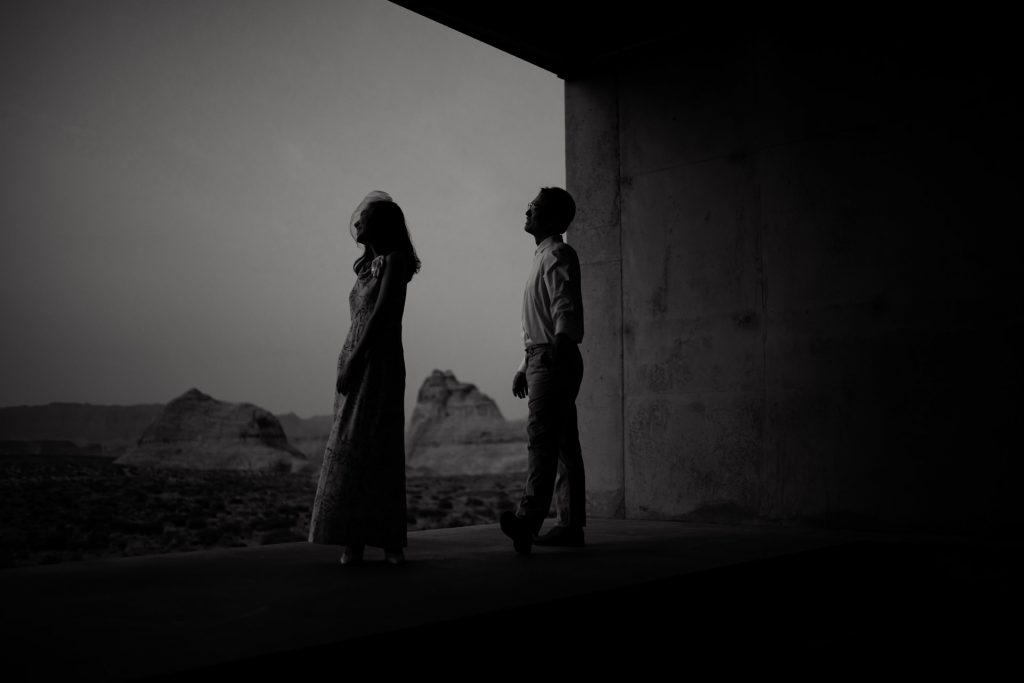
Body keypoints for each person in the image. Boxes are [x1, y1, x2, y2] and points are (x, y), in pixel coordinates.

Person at [308, 190, 420, 566]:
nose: (357, 221)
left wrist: (355, 360)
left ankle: (389, 542)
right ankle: (351, 539)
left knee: (380, 445)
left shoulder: (395, 260)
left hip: (378, 359)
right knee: (351, 446)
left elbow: (383, 314)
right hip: (354, 354)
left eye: (365, 216)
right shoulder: (366, 266)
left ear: (382, 223)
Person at [499, 186, 586, 555]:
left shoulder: (556, 254)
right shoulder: (543, 256)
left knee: (542, 441)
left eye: (533, 208)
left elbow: (564, 308)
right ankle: (569, 527)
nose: (526, 212)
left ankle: (527, 520)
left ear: (552, 217)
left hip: (552, 357)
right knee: (564, 445)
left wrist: (555, 353)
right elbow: (540, 321)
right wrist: (524, 365)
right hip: (544, 357)